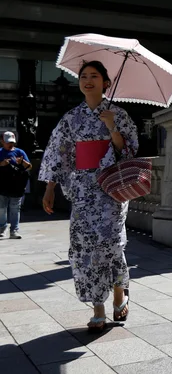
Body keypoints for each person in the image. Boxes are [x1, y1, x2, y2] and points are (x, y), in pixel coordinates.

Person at [39, 60, 139, 333]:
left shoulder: (118, 114)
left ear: (106, 83)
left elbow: (128, 151)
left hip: (111, 189)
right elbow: (56, 152)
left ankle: (119, 293)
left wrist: (112, 129)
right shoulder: (71, 118)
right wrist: (50, 186)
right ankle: (98, 307)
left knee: (111, 243)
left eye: (94, 76)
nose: (88, 80)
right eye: (84, 76)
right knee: (84, 247)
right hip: (83, 190)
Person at [0, 131, 32, 239]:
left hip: (16, 186)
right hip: (2, 185)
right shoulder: (0, 152)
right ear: (2, 142)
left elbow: (29, 166)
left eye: (12, 142)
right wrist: (1, 164)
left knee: (15, 208)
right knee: (2, 208)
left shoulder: (20, 152)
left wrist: (22, 162)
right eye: (8, 142)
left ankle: (14, 230)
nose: (10, 145)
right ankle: (2, 229)